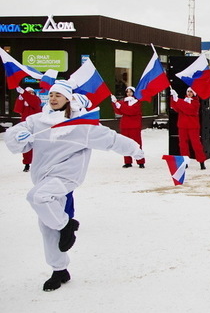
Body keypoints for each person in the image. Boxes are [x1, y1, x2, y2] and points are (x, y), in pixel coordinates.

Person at [4, 80, 144, 291]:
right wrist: (17, 137)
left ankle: (66, 225)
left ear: (68, 100)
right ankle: (59, 270)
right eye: (51, 95)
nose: (53, 99)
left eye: (58, 96)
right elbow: (14, 140)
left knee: (37, 197)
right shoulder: (37, 121)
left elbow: (112, 139)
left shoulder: (81, 127)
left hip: (65, 177)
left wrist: (135, 150)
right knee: (46, 226)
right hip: (43, 176)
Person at [170, 87, 207, 170]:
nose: (189, 93)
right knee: (183, 145)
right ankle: (185, 161)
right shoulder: (183, 101)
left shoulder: (196, 102)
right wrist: (173, 98)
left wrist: (177, 100)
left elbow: (189, 109)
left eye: (191, 92)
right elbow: (175, 108)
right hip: (182, 125)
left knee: (196, 144)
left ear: (194, 93)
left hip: (193, 126)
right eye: (188, 91)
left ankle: (201, 161)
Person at [111, 86, 146, 169]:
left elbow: (131, 111)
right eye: (127, 92)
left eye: (130, 92)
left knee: (137, 144)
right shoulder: (123, 102)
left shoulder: (137, 102)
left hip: (135, 126)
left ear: (134, 93)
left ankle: (140, 161)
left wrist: (120, 106)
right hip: (125, 125)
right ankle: (127, 162)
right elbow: (118, 111)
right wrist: (114, 103)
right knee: (125, 144)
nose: (129, 93)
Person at [13, 86, 42, 172]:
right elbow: (18, 110)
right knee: (26, 145)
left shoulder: (36, 100)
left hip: (36, 126)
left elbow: (34, 102)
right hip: (26, 126)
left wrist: (24, 93)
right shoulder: (24, 102)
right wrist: (20, 99)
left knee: (37, 145)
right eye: (28, 93)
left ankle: (38, 163)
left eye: (32, 92)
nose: (30, 94)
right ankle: (27, 164)